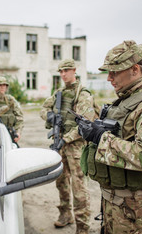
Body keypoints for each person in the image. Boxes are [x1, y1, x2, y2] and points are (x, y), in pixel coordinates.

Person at [77, 40, 142, 234]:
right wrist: (91, 132)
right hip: (111, 201)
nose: (109, 78)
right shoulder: (121, 103)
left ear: (135, 69)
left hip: (133, 207)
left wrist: (100, 138)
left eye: (114, 72)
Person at [40, 59, 98, 234]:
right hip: (60, 143)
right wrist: (50, 117)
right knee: (61, 181)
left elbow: (85, 125)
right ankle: (66, 214)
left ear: (74, 70)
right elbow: (43, 109)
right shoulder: (59, 93)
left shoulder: (83, 94)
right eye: (61, 71)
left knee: (79, 187)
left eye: (66, 70)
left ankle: (83, 227)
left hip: (76, 146)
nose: (63, 74)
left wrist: (66, 139)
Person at [0, 76, 24, 145]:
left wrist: (18, 132)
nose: (3, 87)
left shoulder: (10, 100)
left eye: (5, 85)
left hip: (9, 133)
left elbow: (19, 117)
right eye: (0, 85)